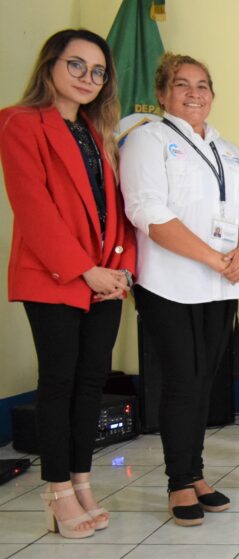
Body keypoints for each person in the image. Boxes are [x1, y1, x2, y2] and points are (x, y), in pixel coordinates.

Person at [0, 28, 134, 539]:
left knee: (90, 385)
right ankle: (56, 490)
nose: (87, 78)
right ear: (50, 65)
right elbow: (33, 210)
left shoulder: (101, 132)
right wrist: (84, 270)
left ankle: (82, 481)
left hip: (106, 281)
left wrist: (121, 270)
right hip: (55, 278)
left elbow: (117, 212)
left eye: (98, 71)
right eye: (76, 65)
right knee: (59, 383)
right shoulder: (19, 123)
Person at [120, 52, 239, 526]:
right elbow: (149, 213)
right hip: (168, 282)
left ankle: (195, 472)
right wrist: (215, 258)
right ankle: (178, 482)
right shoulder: (146, 141)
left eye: (203, 85)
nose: (194, 93)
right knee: (180, 381)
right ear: (162, 94)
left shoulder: (229, 149)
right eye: (182, 84)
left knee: (203, 382)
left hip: (221, 284)